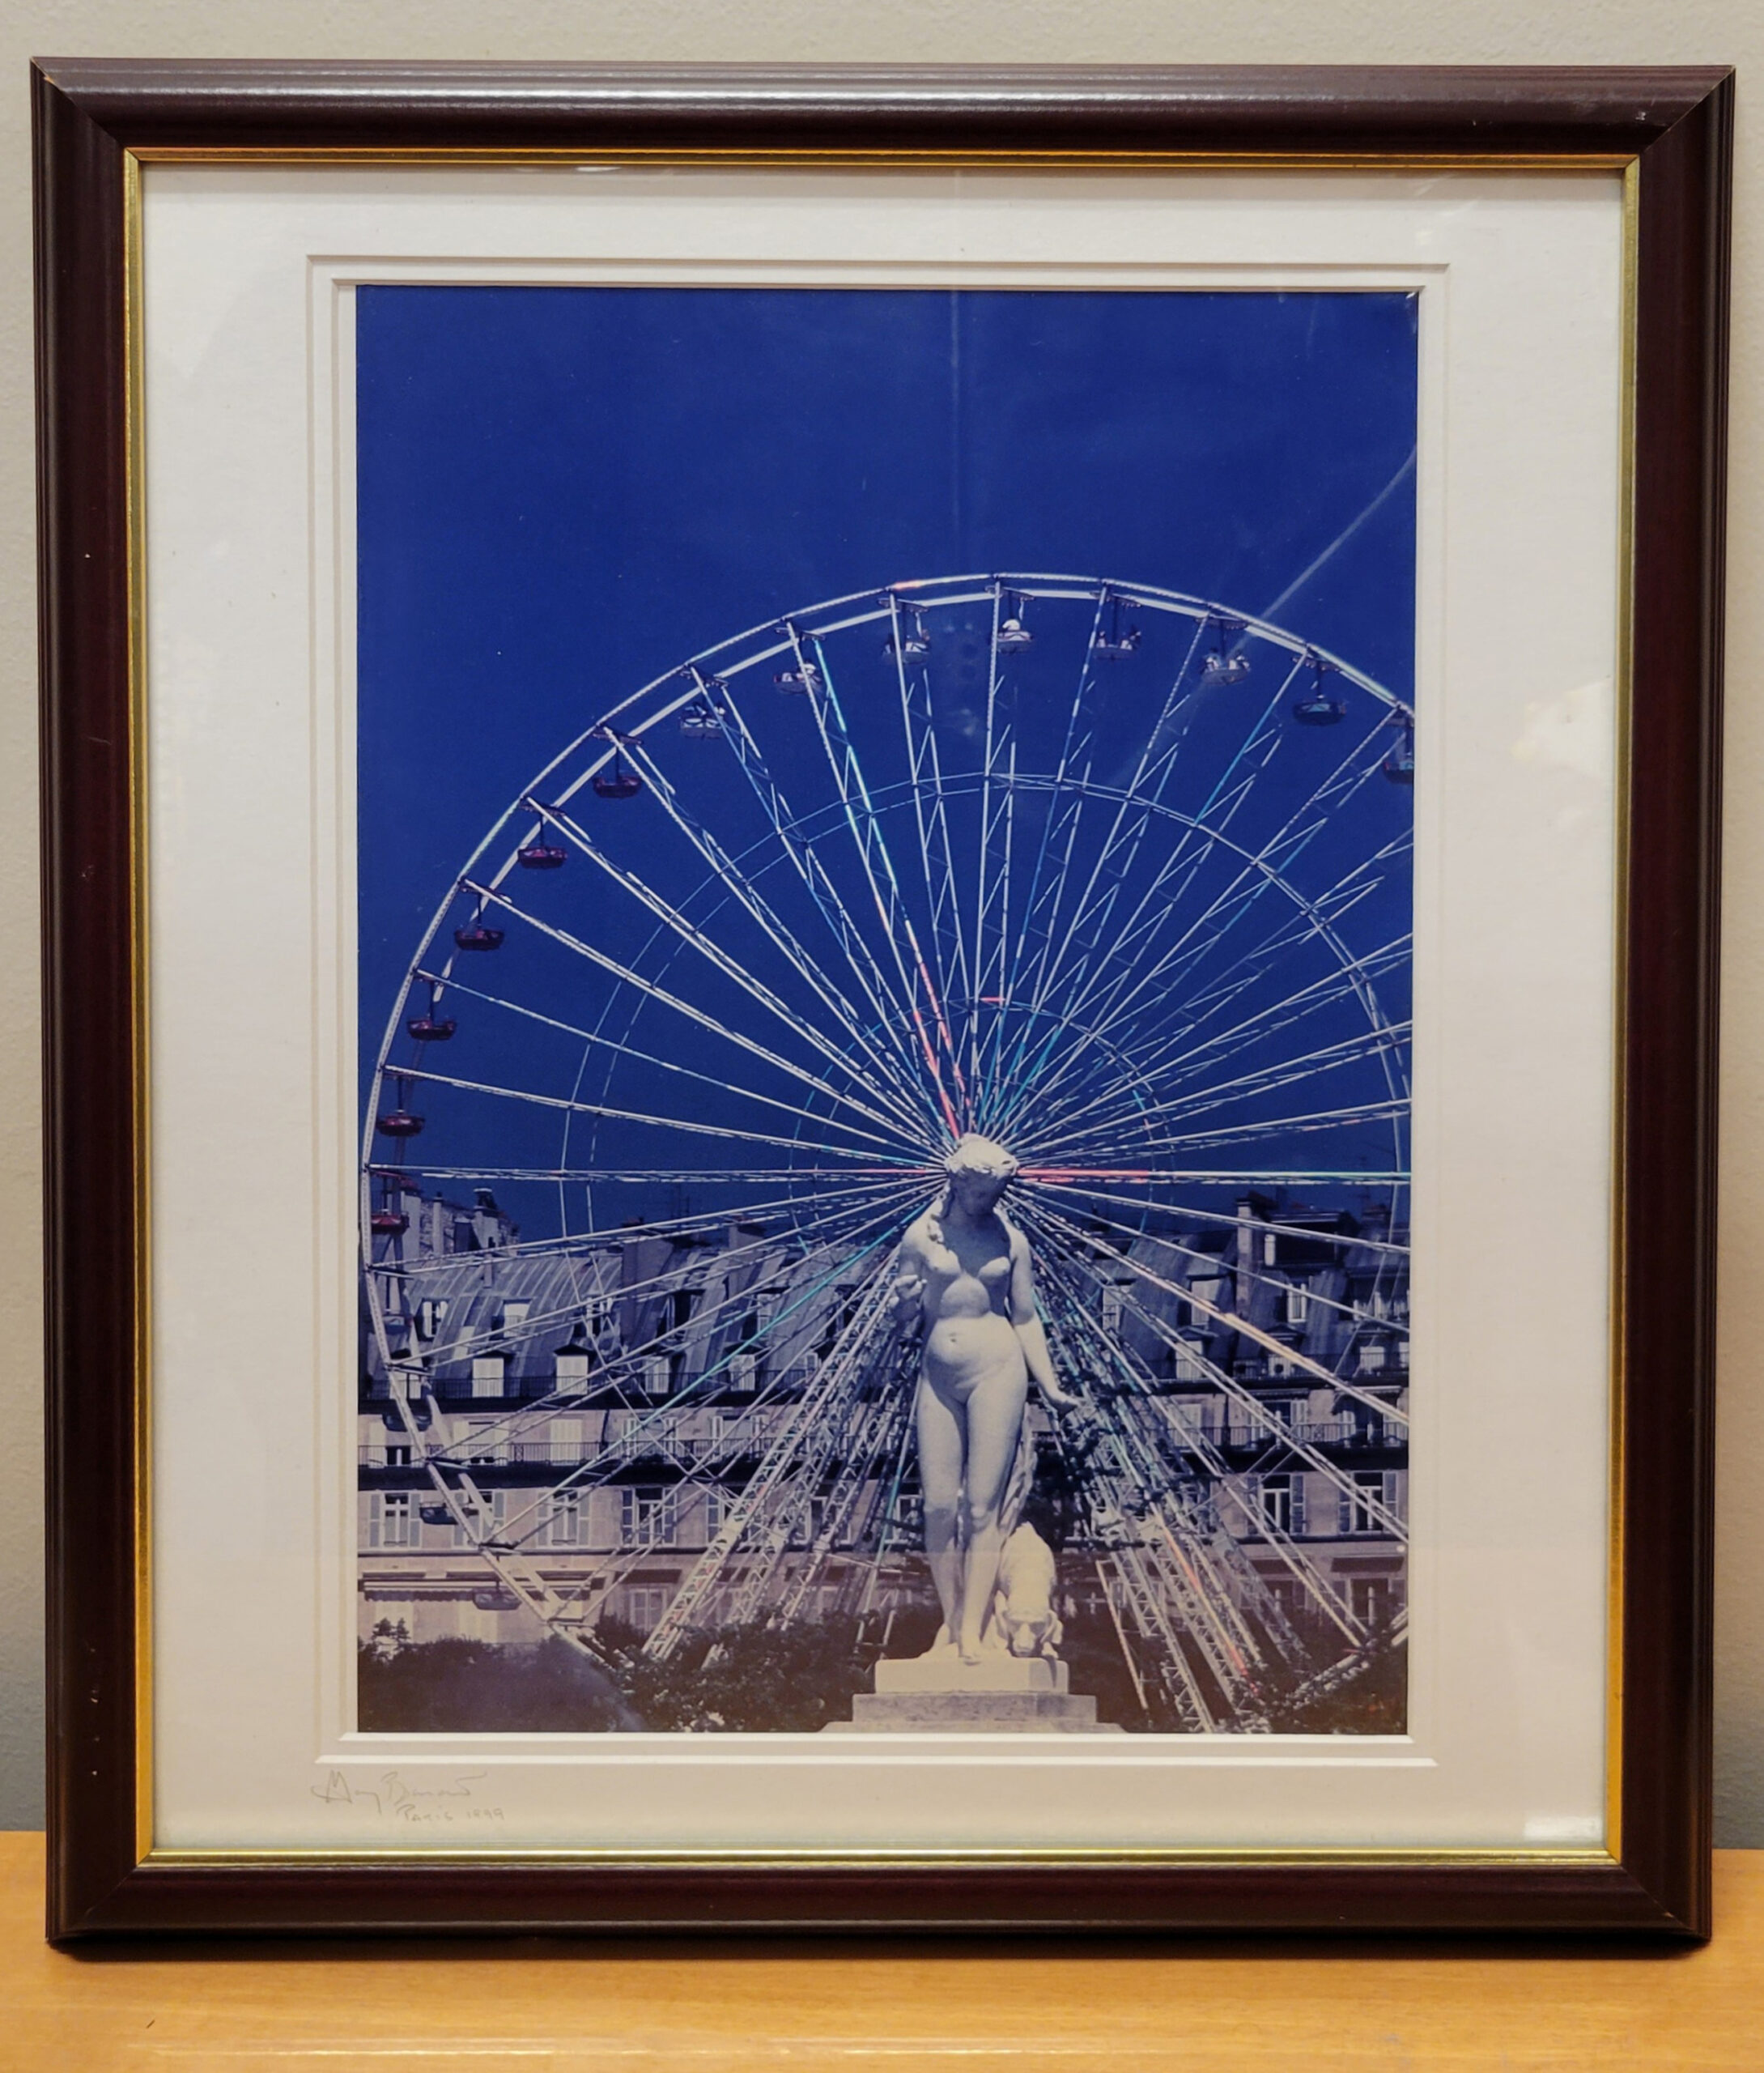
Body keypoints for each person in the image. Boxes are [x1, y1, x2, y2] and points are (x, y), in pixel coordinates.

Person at [893, 1134, 1083, 1664]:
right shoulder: (919, 1237)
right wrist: (902, 1306)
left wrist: (1048, 1385)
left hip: (999, 1366)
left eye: (996, 1194)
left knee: (982, 1509)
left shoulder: (1011, 1241)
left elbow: (1024, 1315)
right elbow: (904, 1319)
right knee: (935, 1507)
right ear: (957, 1183)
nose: (988, 1204)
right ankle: (953, 1622)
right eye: (981, 1193)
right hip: (937, 1372)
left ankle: (973, 1631)